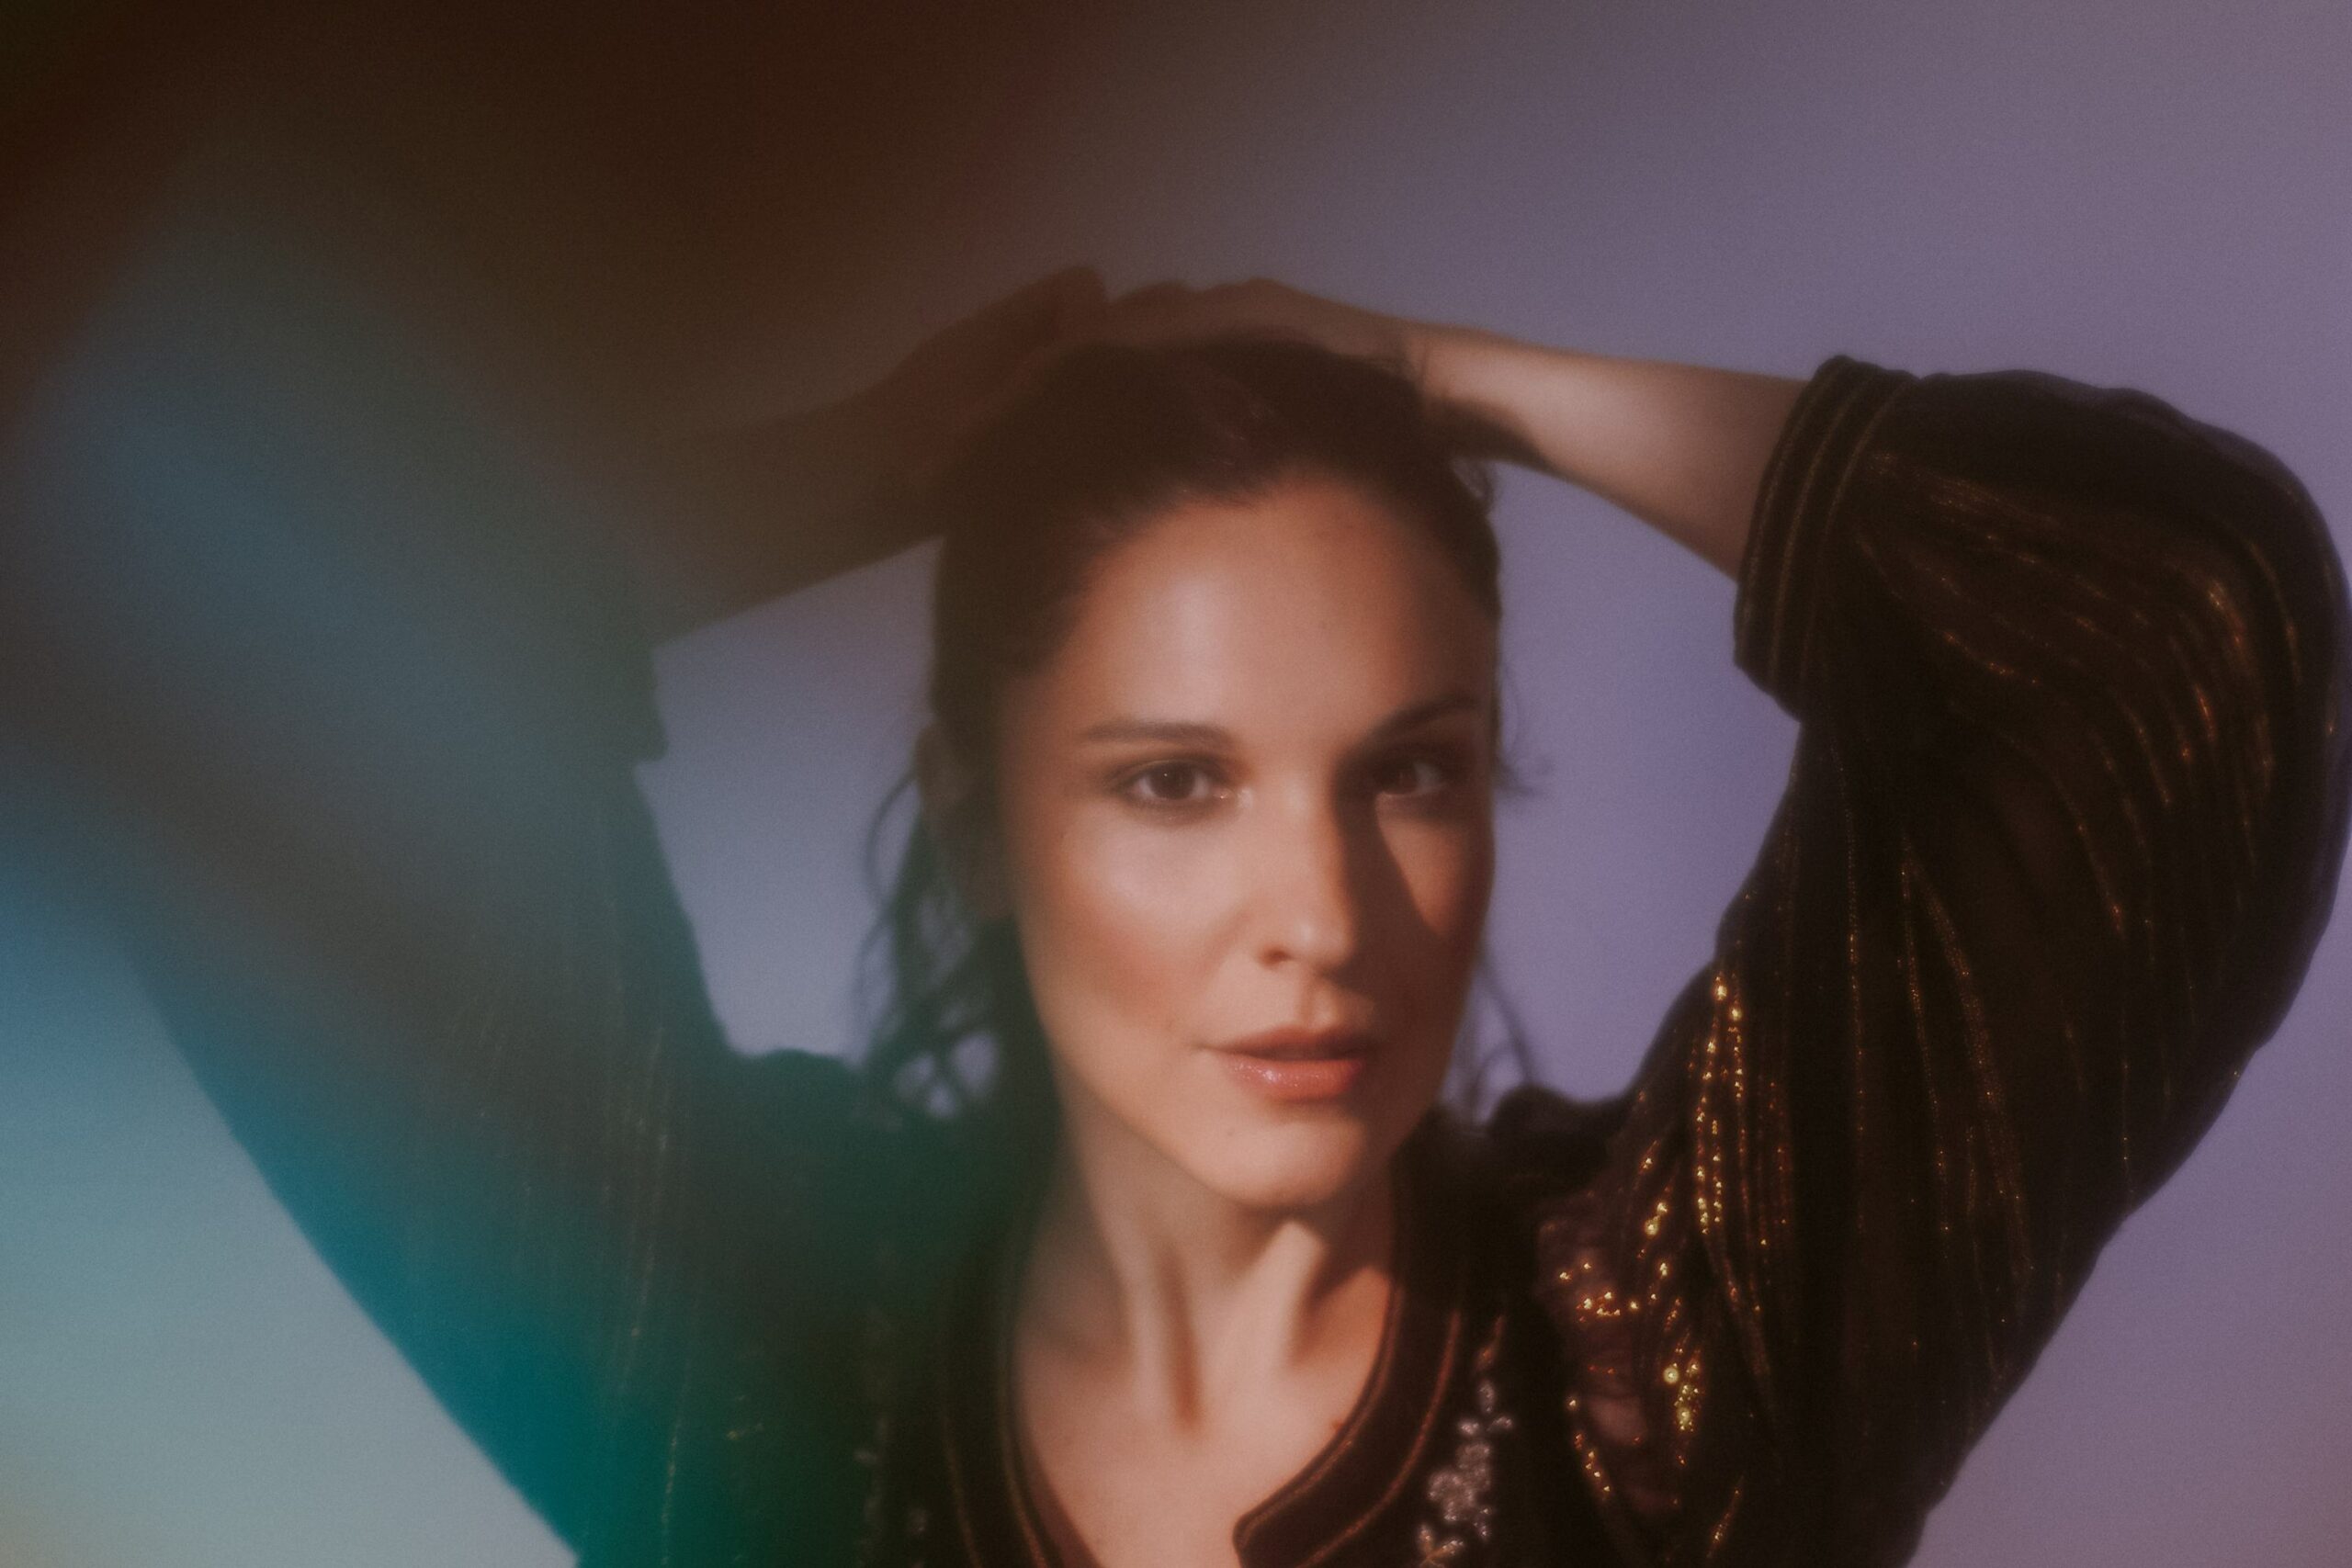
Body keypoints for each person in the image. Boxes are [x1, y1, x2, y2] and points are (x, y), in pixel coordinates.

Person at [4, 225, 2346, 1568]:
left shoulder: (1665, 1366)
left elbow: (2193, 631)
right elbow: (201, 691)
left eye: (1405, 770)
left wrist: (1452, 382)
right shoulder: (751, 1369)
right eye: (1172, 780)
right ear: (974, 811)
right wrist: (857, 474)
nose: (1316, 910)